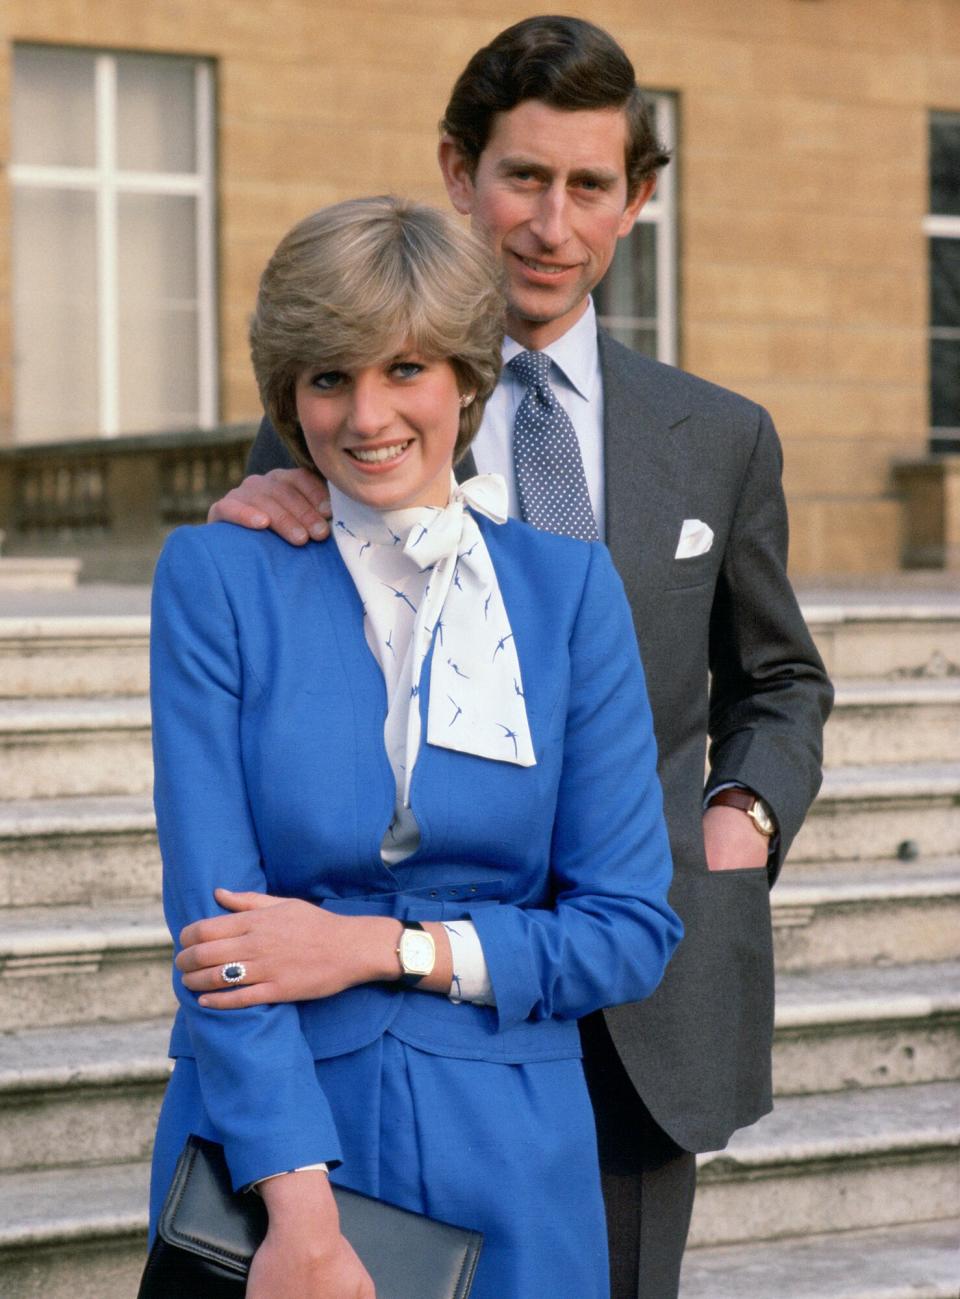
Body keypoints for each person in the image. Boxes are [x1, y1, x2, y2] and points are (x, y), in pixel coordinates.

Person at [205, 17, 834, 1298]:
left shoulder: (720, 435)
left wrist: (742, 814)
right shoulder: (353, 416)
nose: (552, 224)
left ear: (637, 200)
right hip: (400, 1018)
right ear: (458, 173)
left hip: (643, 976)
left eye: (589, 185)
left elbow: (780, 678)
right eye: (523, 178)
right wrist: (248, 507)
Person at [148, 195, 682, 1299]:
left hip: (514, 1157)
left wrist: (381, 950)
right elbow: (216, 937)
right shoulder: (217, 579)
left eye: (404, 369)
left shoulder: (569, 592)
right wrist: (298, 1215)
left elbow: (627, 929)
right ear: (290, 397)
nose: (366, 413)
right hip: (270, 1151)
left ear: (466, 381)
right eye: (329, 377)